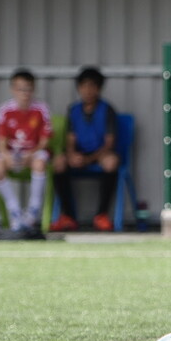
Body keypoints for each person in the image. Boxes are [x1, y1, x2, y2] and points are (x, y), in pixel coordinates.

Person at [49, 66, 119, 232]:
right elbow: (70, 139)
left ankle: (101, 215)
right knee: (59, 162)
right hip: (79, 154)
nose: (88, 90)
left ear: (99, 88)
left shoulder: (107, 110)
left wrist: (88, 159)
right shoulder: (73, 110)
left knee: (111, 162)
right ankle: (68, 216)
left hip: (98, 154)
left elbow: (109, 143)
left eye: (92, 86)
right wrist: (72, 155)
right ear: (79, 88)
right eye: (84, 86)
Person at [0, 68, 52, 233]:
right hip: (12, 153)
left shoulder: (41, 109)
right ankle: (15, 210)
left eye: (28, 89)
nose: (24, 93)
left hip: (33, 153)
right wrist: (7, 156)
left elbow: (45, 141)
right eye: (20, 89)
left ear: (33, 89)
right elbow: (1, 142)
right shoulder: (5, 110)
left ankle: (33, 211)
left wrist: (30, 154)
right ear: (13, 89)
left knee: (40, 163)